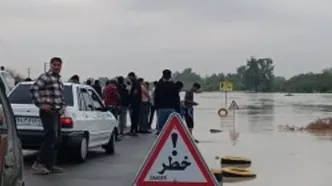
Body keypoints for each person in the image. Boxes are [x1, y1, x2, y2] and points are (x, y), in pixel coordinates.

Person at [29, 57, 65, 174]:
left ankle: (50, 164)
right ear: (50, 65)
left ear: (61, 66)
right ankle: (39, 163)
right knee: (51, 136)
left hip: (56, 112)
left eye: (58, 65)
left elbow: (60, 95)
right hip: (48, 111)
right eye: (54, 65)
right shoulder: (45, 77)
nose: (56, 67)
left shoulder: (59, 80)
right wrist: (40, 104)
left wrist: (62, 107)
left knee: (57, 138)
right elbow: (33, 89)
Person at [154, 69, 179, 134]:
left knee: (161, 128)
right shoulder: (173, 85)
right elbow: (176, 97)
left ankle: (162, 140)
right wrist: (177, 108)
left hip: (161, 108)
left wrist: (156, 107)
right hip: (172, 108)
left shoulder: (159, 85)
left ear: (163, 75)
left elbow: (156, 97)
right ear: (170, 76)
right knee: (171, 126)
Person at [127, 72, 141, 136]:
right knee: (135, 117)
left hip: (135, 103)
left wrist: (131, 102)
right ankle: (134, 130)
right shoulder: (136, 83)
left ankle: (133, 130)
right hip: (137, 102)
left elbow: (135, 93)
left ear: (132, 76)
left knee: (134, 117)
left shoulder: (135, 83)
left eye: (129, 77)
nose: (129, 78)